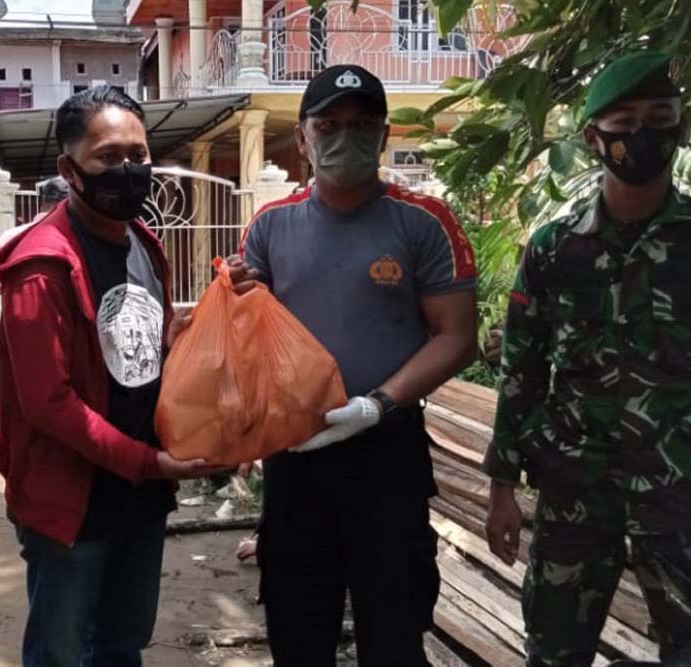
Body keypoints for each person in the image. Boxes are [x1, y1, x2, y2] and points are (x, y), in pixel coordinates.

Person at [483, 51, 691, 666]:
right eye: (623, 120)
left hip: (679, 494)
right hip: (573, 489)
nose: (641, 133)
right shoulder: (554, 250)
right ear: (593, 137)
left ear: (679, 122)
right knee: (555, 647)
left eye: (659, 115)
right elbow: (522, 369)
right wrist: (503, 485)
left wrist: (685, 422)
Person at [235, 65, 479, 665]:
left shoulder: (424, 222)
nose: (346, 137)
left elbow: (457, 336)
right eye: (330, 124)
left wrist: (377, 405)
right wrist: (232, 300)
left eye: (363, 125)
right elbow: (247, 334)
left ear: (385, 134)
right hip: (296, 453)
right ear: (302, 137)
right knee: (298, 627)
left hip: (387, 455)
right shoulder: (269, 226)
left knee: (393, 629)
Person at [0, 86, 223, 666]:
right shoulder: (40, 269)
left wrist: (210, 320)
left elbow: (140, 347)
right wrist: (148, 463)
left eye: (139, 156)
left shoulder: (144, 242)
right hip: (71, 502)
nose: (130, 171)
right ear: (70, 169)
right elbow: (49, 403)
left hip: (139, 498)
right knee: (62, 654)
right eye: (109, 158)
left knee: (122, 647)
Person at [0, 176, 69, 367]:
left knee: (18, 392)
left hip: (16, 333)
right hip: (65, 335)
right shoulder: (72, 238)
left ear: (41, 202)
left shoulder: (9, 238)